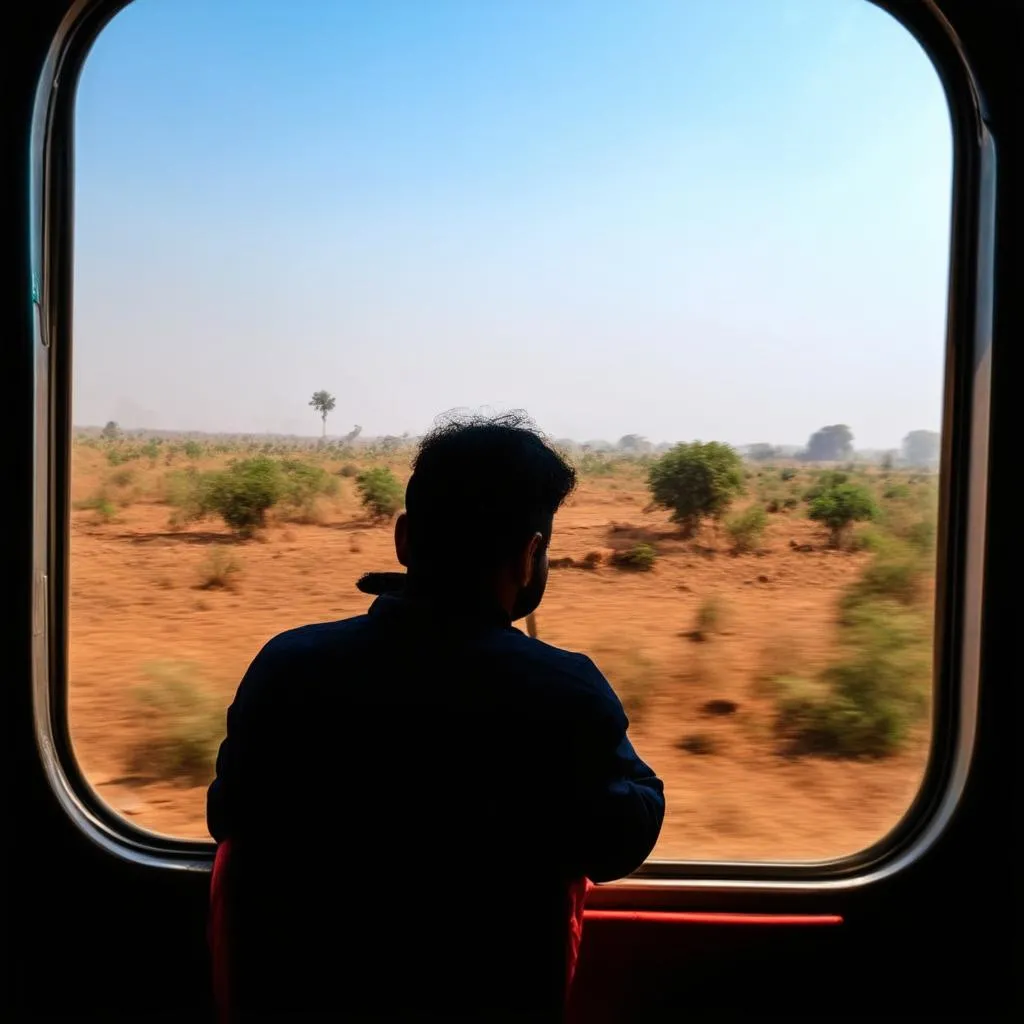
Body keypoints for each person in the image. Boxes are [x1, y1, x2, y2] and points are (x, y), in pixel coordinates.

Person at [207, 411, 665, 1022]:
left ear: (403, 540)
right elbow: (619, 840)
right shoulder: (561, 690)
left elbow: (226, 813)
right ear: (531, 557)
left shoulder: (289, 665)